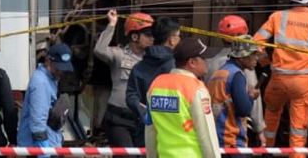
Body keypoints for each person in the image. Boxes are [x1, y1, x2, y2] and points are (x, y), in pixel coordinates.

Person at [253, 0, 308, 158]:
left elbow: (256, 45)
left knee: (271, 115)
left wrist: (266, 63)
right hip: (303, 84)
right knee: (298, 129)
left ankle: (266, 151)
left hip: (278, 79)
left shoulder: (278, 17)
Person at [145, 37, 221, 158]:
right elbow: (207, 135)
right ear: (191, 62)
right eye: (203, 58)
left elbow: (150, 129)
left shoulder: (156, 85)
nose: (207, 61)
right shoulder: (196, 88)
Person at [94, 9, 154, 154]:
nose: (152, 39)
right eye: (148, 35)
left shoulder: (152, 61)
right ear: (134, 36)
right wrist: (112, 24)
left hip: (141, 120)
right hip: (118, 119)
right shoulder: (119, 55)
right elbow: (100, 50)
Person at [205, 15, 265, 147]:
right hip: (231, 136)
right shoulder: (238, 73)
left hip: (215, 131)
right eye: (253, 54)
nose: (256, 59)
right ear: (242, 56)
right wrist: (259, 129)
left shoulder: (211, 65)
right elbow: (245, 108)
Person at [125, 16, 181, 146]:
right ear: (172, 40)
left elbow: (130, 97)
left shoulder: (138, 67)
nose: (180, 40)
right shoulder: (176, 67)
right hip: (172, 133)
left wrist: (145, 113)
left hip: (144, 131)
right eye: (179, 36)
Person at [17, 43, 75, 157]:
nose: (61, 72)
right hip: (41, 149)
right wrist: (43, 152)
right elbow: (38, 121)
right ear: (48, 61)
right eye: (59, 68)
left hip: (50, 144)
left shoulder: (50, 80)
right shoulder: (41, 83)